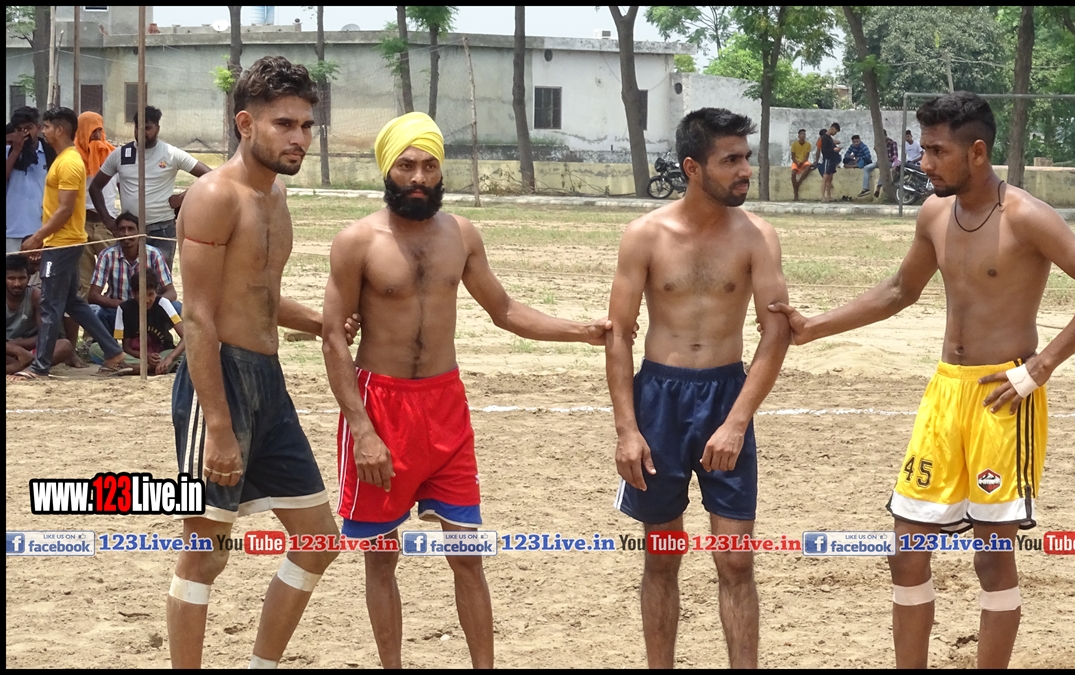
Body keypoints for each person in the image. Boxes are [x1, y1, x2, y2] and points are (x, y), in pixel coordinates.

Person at [767, 92, 1075, 669]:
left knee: (992, 558)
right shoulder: (934, 214)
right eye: (924, 148)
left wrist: (1039, 367)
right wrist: (813, 328)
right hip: (945, 392)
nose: (924, 161)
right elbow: (899, 291)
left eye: (937, 151)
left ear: (976, 152)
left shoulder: (1026, 216)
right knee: (907, 550)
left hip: (1004, 399)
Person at [321, 112, 613, 669]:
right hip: (380, 407)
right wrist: (362, 430)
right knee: (381, 559)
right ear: (387, 169)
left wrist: (582, 331)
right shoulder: (356, 241)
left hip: (445, 407)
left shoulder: (461, 235)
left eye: (430, 165)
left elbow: (504, 310)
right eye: (407, 165)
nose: (419, 177)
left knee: (467, 554)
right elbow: (334, 338)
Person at [166, 56, 345, 669]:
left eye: (306, 125)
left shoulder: (275, 195)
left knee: (318, 540)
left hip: (269, 381)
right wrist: (218, 426)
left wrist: (320, 321)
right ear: (246, 123)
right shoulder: (214, 195)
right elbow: (198, 317)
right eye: (283, 124)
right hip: (218, 382)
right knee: (205, 553)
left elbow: (258, 295)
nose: (299, 138)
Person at [606, 107, 791, 669]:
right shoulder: (645, 235)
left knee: (736, 560)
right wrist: (627, 430)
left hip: (726, 394)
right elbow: (618, 336)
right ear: (692, 167)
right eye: (730, 160)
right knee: (663, 556)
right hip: (658, 400)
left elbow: (776, 333)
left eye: (746, 158)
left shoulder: (757, 237)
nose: (745, 170)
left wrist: (736, 421)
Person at [8, 107, 127, 381]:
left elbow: (65, 209)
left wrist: (37, 237)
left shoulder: (70, 162)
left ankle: (40, 366)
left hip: (62, 245)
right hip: (63, 242)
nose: (44, 131)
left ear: (60, 130)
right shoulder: (64, 159)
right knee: (73, 302)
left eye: (47, 126)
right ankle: (113, 352)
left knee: (50, 304)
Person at [89, 105, 211, 269]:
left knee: (159, 280)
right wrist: (108, 221)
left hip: (162, 230)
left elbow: (210, 176)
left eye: (147, 128)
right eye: (138, 128)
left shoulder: (171, 153)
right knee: (128, 278)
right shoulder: (120, 154)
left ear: (157, 129)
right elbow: (95, 187)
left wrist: (183, 197)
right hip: (130, 231)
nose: (142, 132)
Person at [87, 211, 177, 333]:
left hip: (149, 310)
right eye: (122, 229)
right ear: (115, 233)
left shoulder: (154, 254)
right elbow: (93, 295)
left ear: (140, 232)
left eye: (131, 229)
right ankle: (108, 344)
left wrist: (150, 304)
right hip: (118, 310)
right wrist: (126, 306)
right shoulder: (107, 255)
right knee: (93, 310)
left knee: (177, 308)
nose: (126, 234)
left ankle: (158, 339)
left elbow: (172, 293)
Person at [89, 268, 185, 375]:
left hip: (162, 354)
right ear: (134, 294)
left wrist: (169, 358)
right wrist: (146, 356)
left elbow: (185, 337)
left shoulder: (163, 303)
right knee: (95, 348)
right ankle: (149, 367)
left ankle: (135, 368)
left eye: (151, 294)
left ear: (156, 292)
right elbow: (126, 347)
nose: (147, 300)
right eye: (142, 295)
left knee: (190, 349)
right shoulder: (124, 309)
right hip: (136, 356)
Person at [6, 255, 76, 374]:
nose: (17, 284)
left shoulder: (36, 296)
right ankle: (27, 367)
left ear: (29, 278)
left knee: (65, 345)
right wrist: (15, 349)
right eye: (11, 278)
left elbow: (45, 335)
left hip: (30, 350)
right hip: (9, 350)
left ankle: (24, 366)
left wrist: (17, 345)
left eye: (22, 278)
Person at [75, 111, 119, 298]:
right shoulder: (73, 157)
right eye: (92, 131)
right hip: (81, 224)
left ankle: (114, 316)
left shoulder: (113, 155)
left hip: (106, 224)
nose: (97, 135)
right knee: (83, 282)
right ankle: (87, 317)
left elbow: (123, 186)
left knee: (115, 277)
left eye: (99, 130)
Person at [6, 107, 55, 254]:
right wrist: (16, 151)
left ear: (38, 128)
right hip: (12, 228)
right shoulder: (8, 152)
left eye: (29, 128)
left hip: (41, 228)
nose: (25, 133)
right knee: (13, 268)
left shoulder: (50, 153)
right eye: (20, 130)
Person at [819, 122, 842, 202]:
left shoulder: (830, 138)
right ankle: (823, 196)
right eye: (835, 132)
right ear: (832, 128)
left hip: (832, 159)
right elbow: (824, 150)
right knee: (825, 178)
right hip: (827, 159)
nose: (835, 133)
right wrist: (833, 150)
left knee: (830, 178)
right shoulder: (825, 138)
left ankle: (828, 196)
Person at [789, 128, 814, 201]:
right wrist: (797, 163)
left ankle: (798, 183)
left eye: (804, 134)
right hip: (796, 161)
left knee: (808, 167)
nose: (803, 135)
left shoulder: (808, 145)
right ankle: (795, 192)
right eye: (801, 134)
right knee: (793, 173)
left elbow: (807, 157)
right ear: (798, 136)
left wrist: (802, 162)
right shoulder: (794, 144)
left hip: (804, 161)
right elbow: (792, 157)